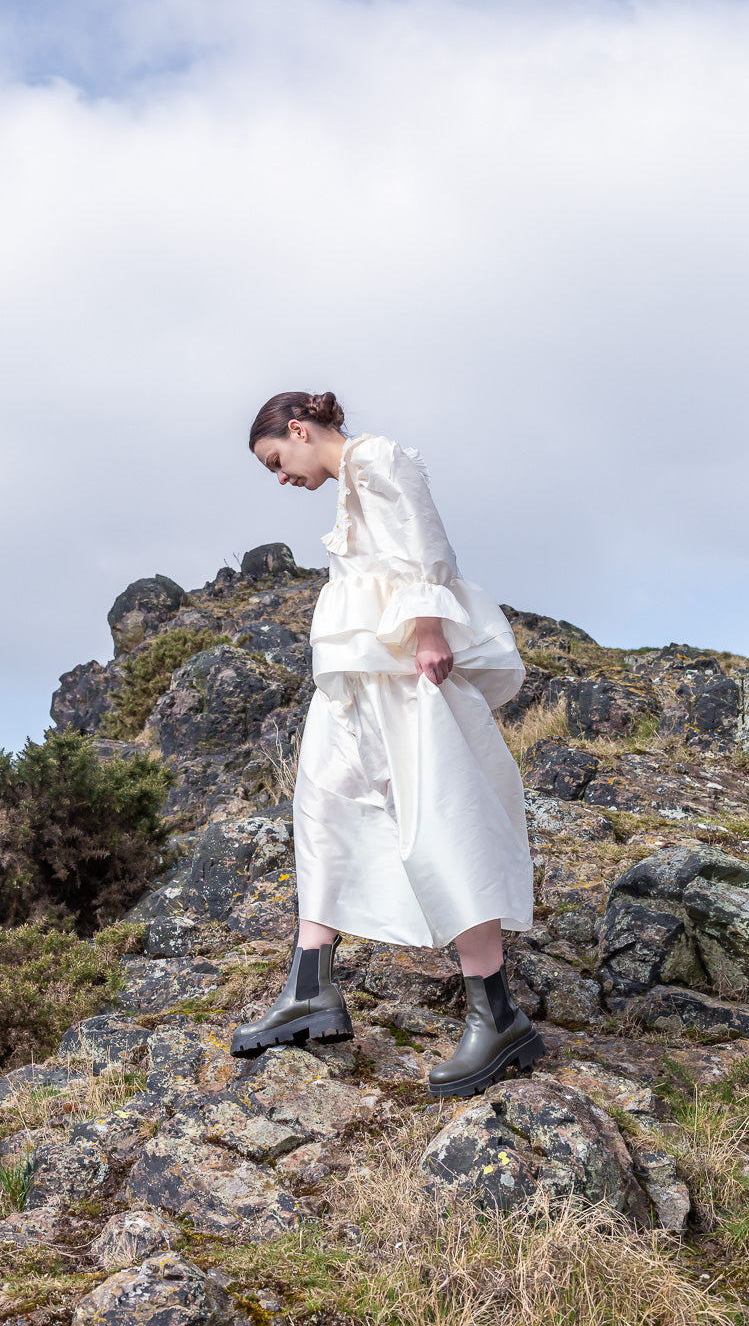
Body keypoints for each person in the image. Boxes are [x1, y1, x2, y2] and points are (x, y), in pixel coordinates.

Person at [229, 390, 544, 1098]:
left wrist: (428, 628)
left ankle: (497, 1014)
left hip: (403, 674)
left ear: (300, 429)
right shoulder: (349, 484)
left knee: (442, 822)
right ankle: (309, 986)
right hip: (355, 682)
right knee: (323, 809)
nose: (281, 478)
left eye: (276, 461)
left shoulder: (377, 458)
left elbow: (425, 543)